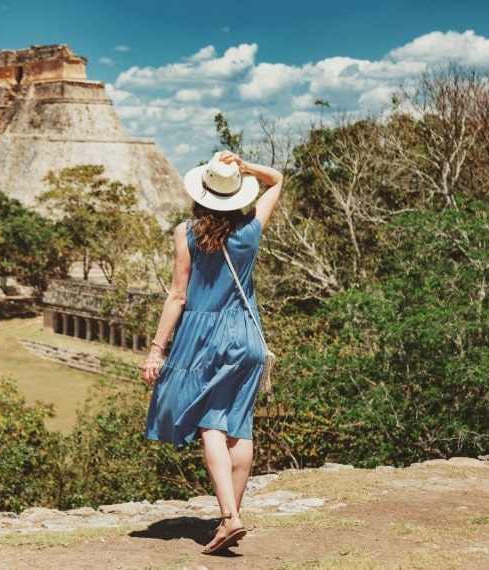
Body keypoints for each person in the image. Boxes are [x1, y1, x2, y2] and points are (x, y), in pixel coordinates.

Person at [142, 150, 283, 555]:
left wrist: (156, 350)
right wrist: (247, 167)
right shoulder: (252, 228)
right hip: (249, 338)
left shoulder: (187, 233)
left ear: (201, 193)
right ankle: (230, 519)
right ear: (238, 196)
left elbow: (177, 296)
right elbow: (277, 180)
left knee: (209, 424)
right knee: (238, 426)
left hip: (207, 339)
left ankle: (229, 518)